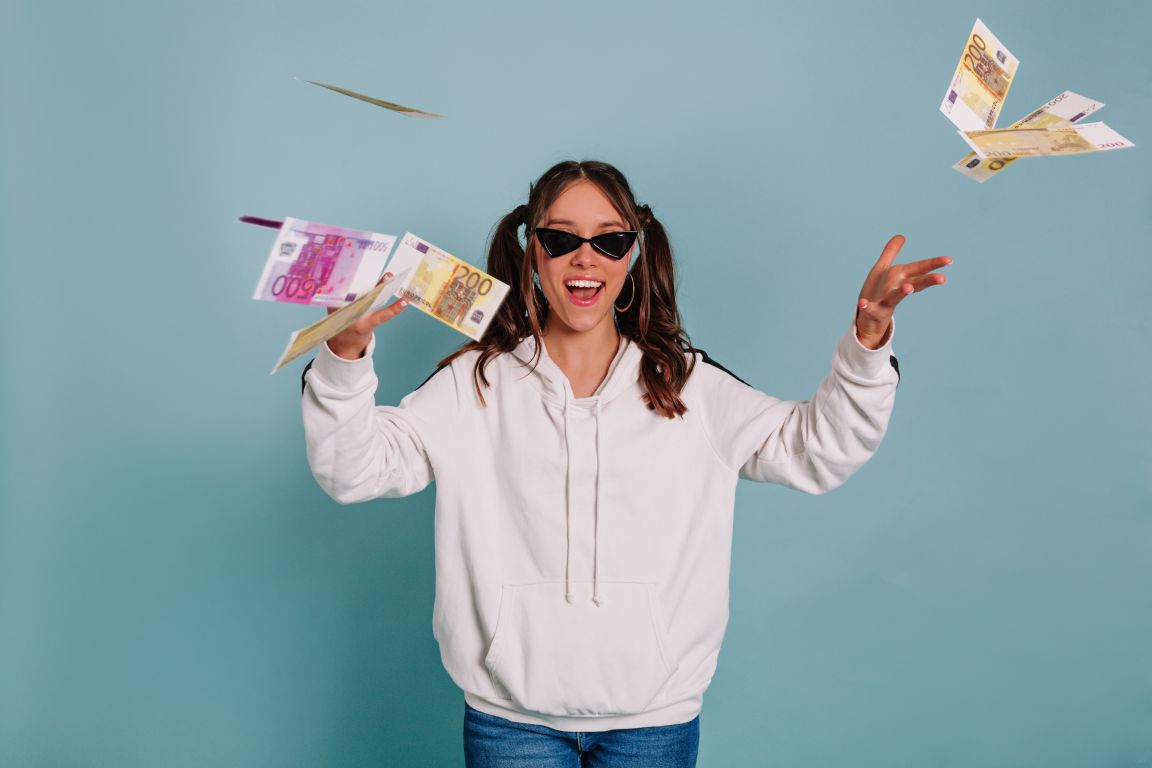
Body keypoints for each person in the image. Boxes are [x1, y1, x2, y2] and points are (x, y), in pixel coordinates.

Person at [302, 160, 950, 767]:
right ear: (533, 250)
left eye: (609, 241)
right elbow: (352, 468)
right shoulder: (474, 384)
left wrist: (866, 348)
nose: (586, 257)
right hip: (509, 722)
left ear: (633, 253)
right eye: (561, 239)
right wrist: (344, 358)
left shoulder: (691, 386)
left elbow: (819, 450)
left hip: (655, 720)